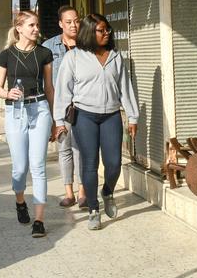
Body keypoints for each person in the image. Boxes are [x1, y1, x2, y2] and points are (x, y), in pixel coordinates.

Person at [55, 13, 138, 231]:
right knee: (89, 164)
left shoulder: (115, 57)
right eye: (102, 30)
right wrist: (59, 120)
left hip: (111, 115)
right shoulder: (73, 58)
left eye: (107, 30)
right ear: (90, 32)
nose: (107, 33)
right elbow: (63, 91)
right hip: (84, 116)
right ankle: (93, 208)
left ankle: (107, 192)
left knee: (114, 163)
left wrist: (133, 115)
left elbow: (126, 89)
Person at [0, 10, 55, 238]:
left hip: (39, 109)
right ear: (19, 28)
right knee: (20, 168)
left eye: (37, 25)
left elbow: (49, 88)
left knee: (38, 165)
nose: (36, 29)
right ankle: (20, 202)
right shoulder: (6, 56)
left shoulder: (45, 54)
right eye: (32, 25)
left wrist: (55, 119)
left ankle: (39, 220)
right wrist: (7, 93)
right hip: (15, 112)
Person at [42, 5, 86, 208]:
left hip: (84, 105)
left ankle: (83, 190)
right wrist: (52, 115)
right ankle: (69, 192)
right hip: (61, 107)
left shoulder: (87, 44)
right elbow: (47, 84)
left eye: (76, 20)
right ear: (61, 24)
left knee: (82, 149)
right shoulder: (49, 47)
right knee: (65, 148)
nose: (73, 25)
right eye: (68, 22)